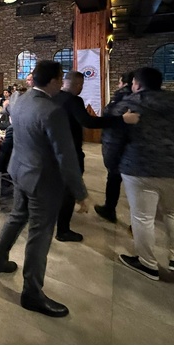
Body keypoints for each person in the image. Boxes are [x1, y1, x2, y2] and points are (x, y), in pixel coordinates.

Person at [0, 60, 89, 318]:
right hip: (42, 180)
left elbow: (14, 120)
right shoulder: (52, 111)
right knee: (40, 233)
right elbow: (66, 156)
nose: (62, 84)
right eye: (61, 79)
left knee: (17, 217)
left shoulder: (19, 100)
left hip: (19, 171)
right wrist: (80, 192)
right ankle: (32, 292)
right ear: (53, 81)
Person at [105, 67, 174, 283]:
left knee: (142, 217)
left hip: (140, 168)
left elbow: (113, 138)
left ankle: (147, 263)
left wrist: (112, 164)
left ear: (136, 84)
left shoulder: (129, 104)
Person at [52, 71, 139, 242]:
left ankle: (54, 219)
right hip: (70, 151)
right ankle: (63, 230)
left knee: (58, 187)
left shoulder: (53, 97)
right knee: (69, 190)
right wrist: (121, 119)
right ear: (78, 84)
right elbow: (88, 122)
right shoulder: (74, 100)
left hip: (53, 149)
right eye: (82, 85)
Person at [95, 71, 135, 223]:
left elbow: (109, 117)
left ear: (124, 83)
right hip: (129, 144)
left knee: (115, 177)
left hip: (117, 143)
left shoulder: (122, 98)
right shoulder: (142, 99)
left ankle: (110, 209)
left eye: (119, 82)